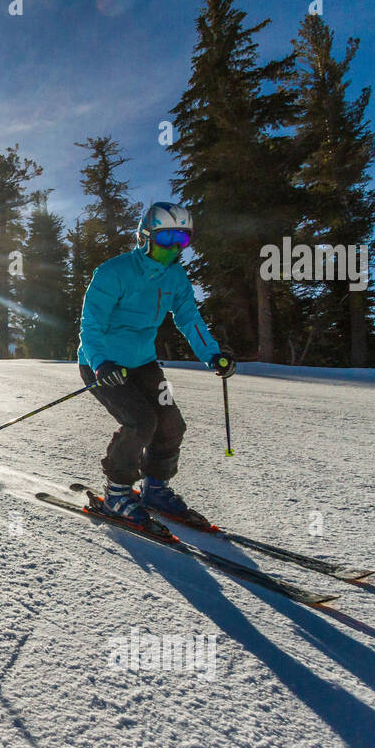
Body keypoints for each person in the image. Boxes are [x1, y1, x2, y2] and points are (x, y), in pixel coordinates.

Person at [77, 202, 235, 532]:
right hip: (103, 364)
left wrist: (213, 354)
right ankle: (117, 492)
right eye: (167, 239)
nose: (174, 248)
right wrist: (101, 361)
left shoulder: (176, 277)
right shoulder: (113, 272)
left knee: (171, 424)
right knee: (140, 422)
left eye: (183, 240)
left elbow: (190, 319)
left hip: (144, 364)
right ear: (145, 237)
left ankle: (154, 487)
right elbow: (90, 324)